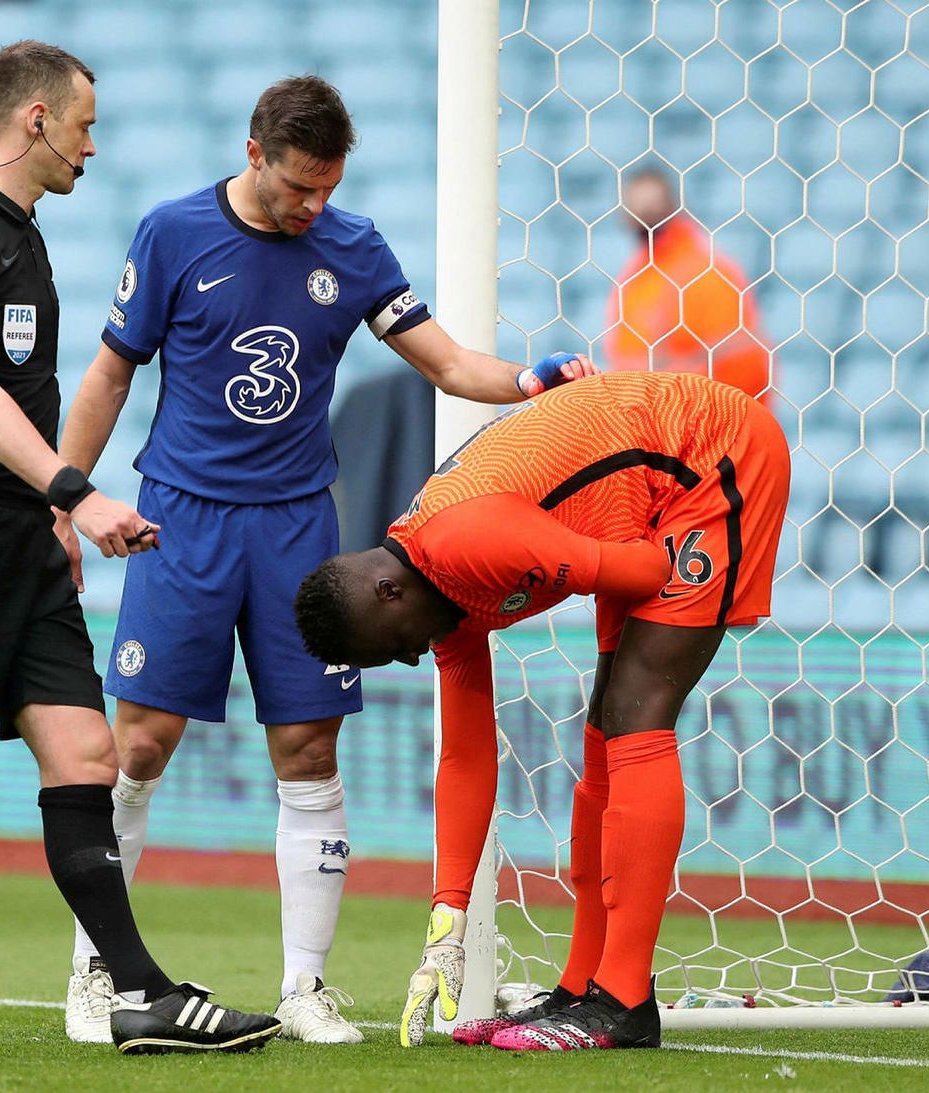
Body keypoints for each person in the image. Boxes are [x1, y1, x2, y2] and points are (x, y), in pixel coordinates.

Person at [56, 74, 595, 1044]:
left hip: (299, 525)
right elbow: (107, 373)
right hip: (182, 518)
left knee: (307, 752)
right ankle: (96, 969)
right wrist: (66, 496)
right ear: (254, 152)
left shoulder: (351, 246)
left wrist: (526, 379)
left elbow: (444, 363)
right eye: (299, 188)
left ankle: (304, 987)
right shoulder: (172, 234)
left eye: (328, 189)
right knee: (137, 747)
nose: (314, 207)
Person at [0, 41, 278, 1056]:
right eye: (83, 122)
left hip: (18, 538)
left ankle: (139, 993)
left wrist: (47, 523)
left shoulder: (20, 234)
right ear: (33, 118)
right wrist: (75, 497)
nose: (92, 142)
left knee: (86, 752)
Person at [293, 371, 790, 1051]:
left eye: (394, 648)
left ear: (388, 591)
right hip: (641, 497)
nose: (412, 658)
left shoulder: (469, 540)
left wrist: (577, 552)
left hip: (710, 455)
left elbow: (646, 571)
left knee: (638, 711)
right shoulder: (438, 602)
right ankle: (584, 984)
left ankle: (624, 1001)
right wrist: (449, 918)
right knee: (603, 729)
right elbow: (464, 757)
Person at [603, 167, 772, 403]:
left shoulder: (706, 272)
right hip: (651, 422)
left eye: (653, 204)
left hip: (700, 421)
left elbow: (741, 360)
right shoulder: (635, 277)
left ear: (673, 207)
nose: (644, 212)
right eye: (636, 205)